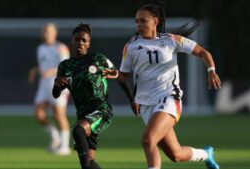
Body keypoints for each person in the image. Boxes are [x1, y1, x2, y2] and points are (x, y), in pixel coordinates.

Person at [103, 3, 221, 169]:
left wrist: (211, 70)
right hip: (146, 104)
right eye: (137, 21)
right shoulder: (130, 47)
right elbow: (124, 76)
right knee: (176, 154)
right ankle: (206, 154)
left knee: (148, 140)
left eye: (143, 21)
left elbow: (203, 52)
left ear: (155, 21)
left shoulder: (171, 40)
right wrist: (115, 74)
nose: (139, 25)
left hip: (168, 97)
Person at [53, 23, 133, 169]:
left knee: (77, 130)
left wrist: (132, 100)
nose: (80, 43)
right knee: (89, 163)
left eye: (84, 41)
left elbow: (120, 77)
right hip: (83, 114)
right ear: (72, 41)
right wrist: (57, 84)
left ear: (89, 44)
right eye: (77, 40)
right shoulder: (64, 66)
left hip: (101, 110)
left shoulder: (98, 59)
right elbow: (56, 94)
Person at [28, 23, 71, 156]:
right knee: (38, 113)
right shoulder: (40, 48)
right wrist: (35, 70)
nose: (46, 33)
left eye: (49, 31)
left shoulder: (60, 47)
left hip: (59, 85)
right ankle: (54, 135)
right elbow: (43, 65)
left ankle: (64, 146)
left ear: (55, 33)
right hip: (44, 85)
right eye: (44, 31)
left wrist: (51, 71)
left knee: (59, 114)